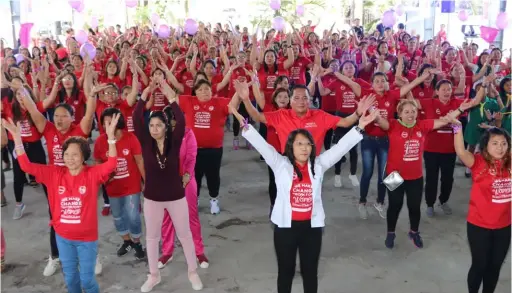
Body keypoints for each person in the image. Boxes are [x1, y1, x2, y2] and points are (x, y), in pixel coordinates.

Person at [232, 99, 377, 293]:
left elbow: (340, 148)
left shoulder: (318, 165)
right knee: (286, 271)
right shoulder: (280, 164)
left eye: (307, 144)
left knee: (310, 273)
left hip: (312, 229)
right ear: (291, 147)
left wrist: (359, 127)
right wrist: (246, 126)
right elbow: (263, 146)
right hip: (285, 229)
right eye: (299, 144)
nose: (304, 148)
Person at [2, 112, 120, 293]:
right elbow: (26, 166)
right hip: (63, 238)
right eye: (66, 154)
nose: (69, 158)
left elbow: (111, 164)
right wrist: (17, 139)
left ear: (83, 157)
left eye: (75, 154)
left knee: (87, 281)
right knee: (71, 279)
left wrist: (111, 138)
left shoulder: (92, 174)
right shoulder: (54, 174)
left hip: (87, 240)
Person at [372, 98, 475, 249]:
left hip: (415, 177)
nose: (410, 114)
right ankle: (391, 232)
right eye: (406, 112)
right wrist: (371, 112)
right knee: (394, 205)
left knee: (414, 207)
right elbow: (381, 121)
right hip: (393, 175)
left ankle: (414, 232)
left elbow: (444, 120)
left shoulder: (422, 125)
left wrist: (460, 109)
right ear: (399, 114)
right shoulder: (393, 125)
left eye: (413, 111)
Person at [133, 80, 203, 292]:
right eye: (151, 125)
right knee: (152, 238)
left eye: (158, 125)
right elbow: (136, 118)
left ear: (165, 127)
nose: (154, 129)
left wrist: (171, 98)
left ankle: (192, 272)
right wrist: (144, 95)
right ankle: (153, 275)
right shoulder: (146, 142)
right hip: (152, 198)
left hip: (175, 196)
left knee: (185, 235)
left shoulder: (175, 140)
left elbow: (180, 119)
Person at [452, 124, 510, 293]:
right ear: (485, 146)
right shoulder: (478, 162)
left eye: (503, 143)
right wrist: (457, 128)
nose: (500, 147)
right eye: (495, 143)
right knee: (479, 265)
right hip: (479, 226)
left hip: (504, 226)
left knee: (495, 266)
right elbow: (461, 152)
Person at [178, 80, 239, 214]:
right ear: (195, 92)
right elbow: (171, 96)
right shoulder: (189, 101)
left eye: (207, 89)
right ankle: (194, 199)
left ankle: (214, 200)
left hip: (214, 149)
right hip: (193, 150)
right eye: (200, 89)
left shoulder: (220, 102)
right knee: (194, 177)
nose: (204, 92)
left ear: (212, 91)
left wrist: (239, 91)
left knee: (213, 176)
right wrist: (161, 79)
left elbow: (233, 106)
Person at [158, 110, 209, 269]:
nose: (173, 127)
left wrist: (187, 174)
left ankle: (199, 251)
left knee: (191, 216)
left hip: (187, 180)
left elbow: (192, 156)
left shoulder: (188, 134)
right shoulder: (159, 137)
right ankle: (167, 252)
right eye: (170, 125)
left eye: (176, 123)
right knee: (167, 218)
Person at [94, 109, 145, 260]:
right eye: (105, 121)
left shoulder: (131, 138)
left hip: (131, 186)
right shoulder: (100, 142)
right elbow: (98, 162)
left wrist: (147, 181)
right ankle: (126, 241)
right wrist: (104, 178)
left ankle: (137, 242)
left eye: (112, 121)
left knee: (133, 216)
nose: (108, 124)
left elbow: (139, 161)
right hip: (112, 188)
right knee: (118, 217)